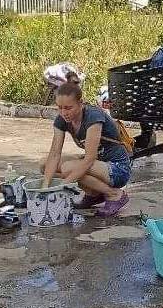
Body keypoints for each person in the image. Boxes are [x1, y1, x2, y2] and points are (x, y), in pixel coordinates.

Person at [41, 80, 132, 218]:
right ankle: (93, 194)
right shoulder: (62, 120)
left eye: (68, 108)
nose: (63, 112)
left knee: (68, 169)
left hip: (117, 168)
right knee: (44, 165)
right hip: (98, 165)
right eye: (59, 107)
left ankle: (114, 194)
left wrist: (62, 185)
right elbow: (54, 155)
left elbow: (89, 159)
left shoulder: (93, 116)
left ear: (80, 103)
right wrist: (45, 187)